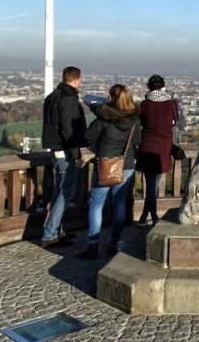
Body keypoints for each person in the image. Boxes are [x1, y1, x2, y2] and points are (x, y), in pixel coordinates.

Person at [79, 84, 141, 258]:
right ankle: (114, 242)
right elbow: (137, 141)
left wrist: (99, 151)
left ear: (111, 98)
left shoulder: (104, 119)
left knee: (96, 203)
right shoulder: (134, 121)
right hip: (126, 164)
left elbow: (88, 139)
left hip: (105, 164)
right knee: (119, 203)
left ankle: (93, 244)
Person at [41, 66, 88, 248]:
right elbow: (68, 129)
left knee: (59, 191)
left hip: (54, 149)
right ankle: (50, 234)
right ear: (76, 80)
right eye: (80, 80)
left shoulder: (52, 96)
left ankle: (57, 231)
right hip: (65, 151)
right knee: (65, 192)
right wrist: (76, 154)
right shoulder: (69, 99)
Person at [137, 74, 178, 225]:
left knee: (151, 184)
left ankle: (145, 216)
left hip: (147, 146)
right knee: (154, 184)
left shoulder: (144, 105)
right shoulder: (171, 104)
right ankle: (152, 216)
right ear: (163, 86)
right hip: (164, 148)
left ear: (149, 87)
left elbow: (141, 122)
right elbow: (174, 122)